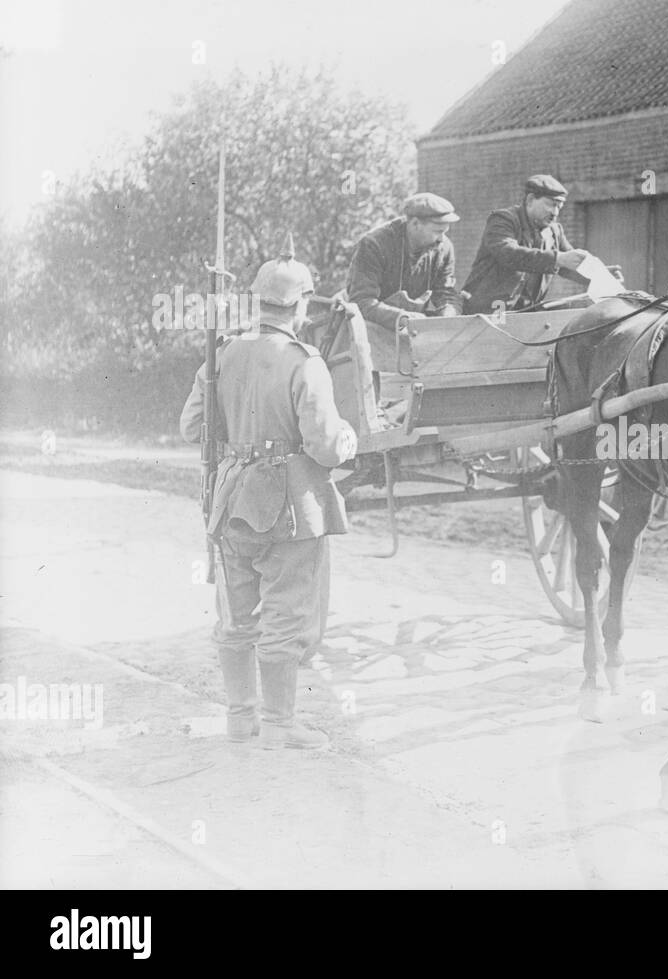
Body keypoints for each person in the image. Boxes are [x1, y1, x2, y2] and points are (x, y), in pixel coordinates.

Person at [180, 236, 358, 749]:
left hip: (231, 501)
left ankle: (240, 718)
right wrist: (346, 438)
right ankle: (279, 725)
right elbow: (324, 446)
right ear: (301, 306)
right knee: (285, 611)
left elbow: (194, 428)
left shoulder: (221, 355)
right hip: (290, 508)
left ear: (256, 303)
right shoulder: (306, 362)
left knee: (236, 612)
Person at [462, 174, 590, 314]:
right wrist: (557, 258)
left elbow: (570, 265)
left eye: (559, 206)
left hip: (527, 312)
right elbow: (509, 253)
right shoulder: (503, 220)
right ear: (530, 200)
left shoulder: (555, 230)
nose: (555, 213)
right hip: (491, 310)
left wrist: (603, 276)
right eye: (551, 205)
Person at [346, 192, 462, 331]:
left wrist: (449, 313)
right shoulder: (374, 245)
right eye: (437, 231)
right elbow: (362, 302)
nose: (442, 239)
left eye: (445, 232)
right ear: (415, 223)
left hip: (412, 328)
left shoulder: (444, 248)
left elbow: (447, 292)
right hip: (373, 328)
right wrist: (402, 318)